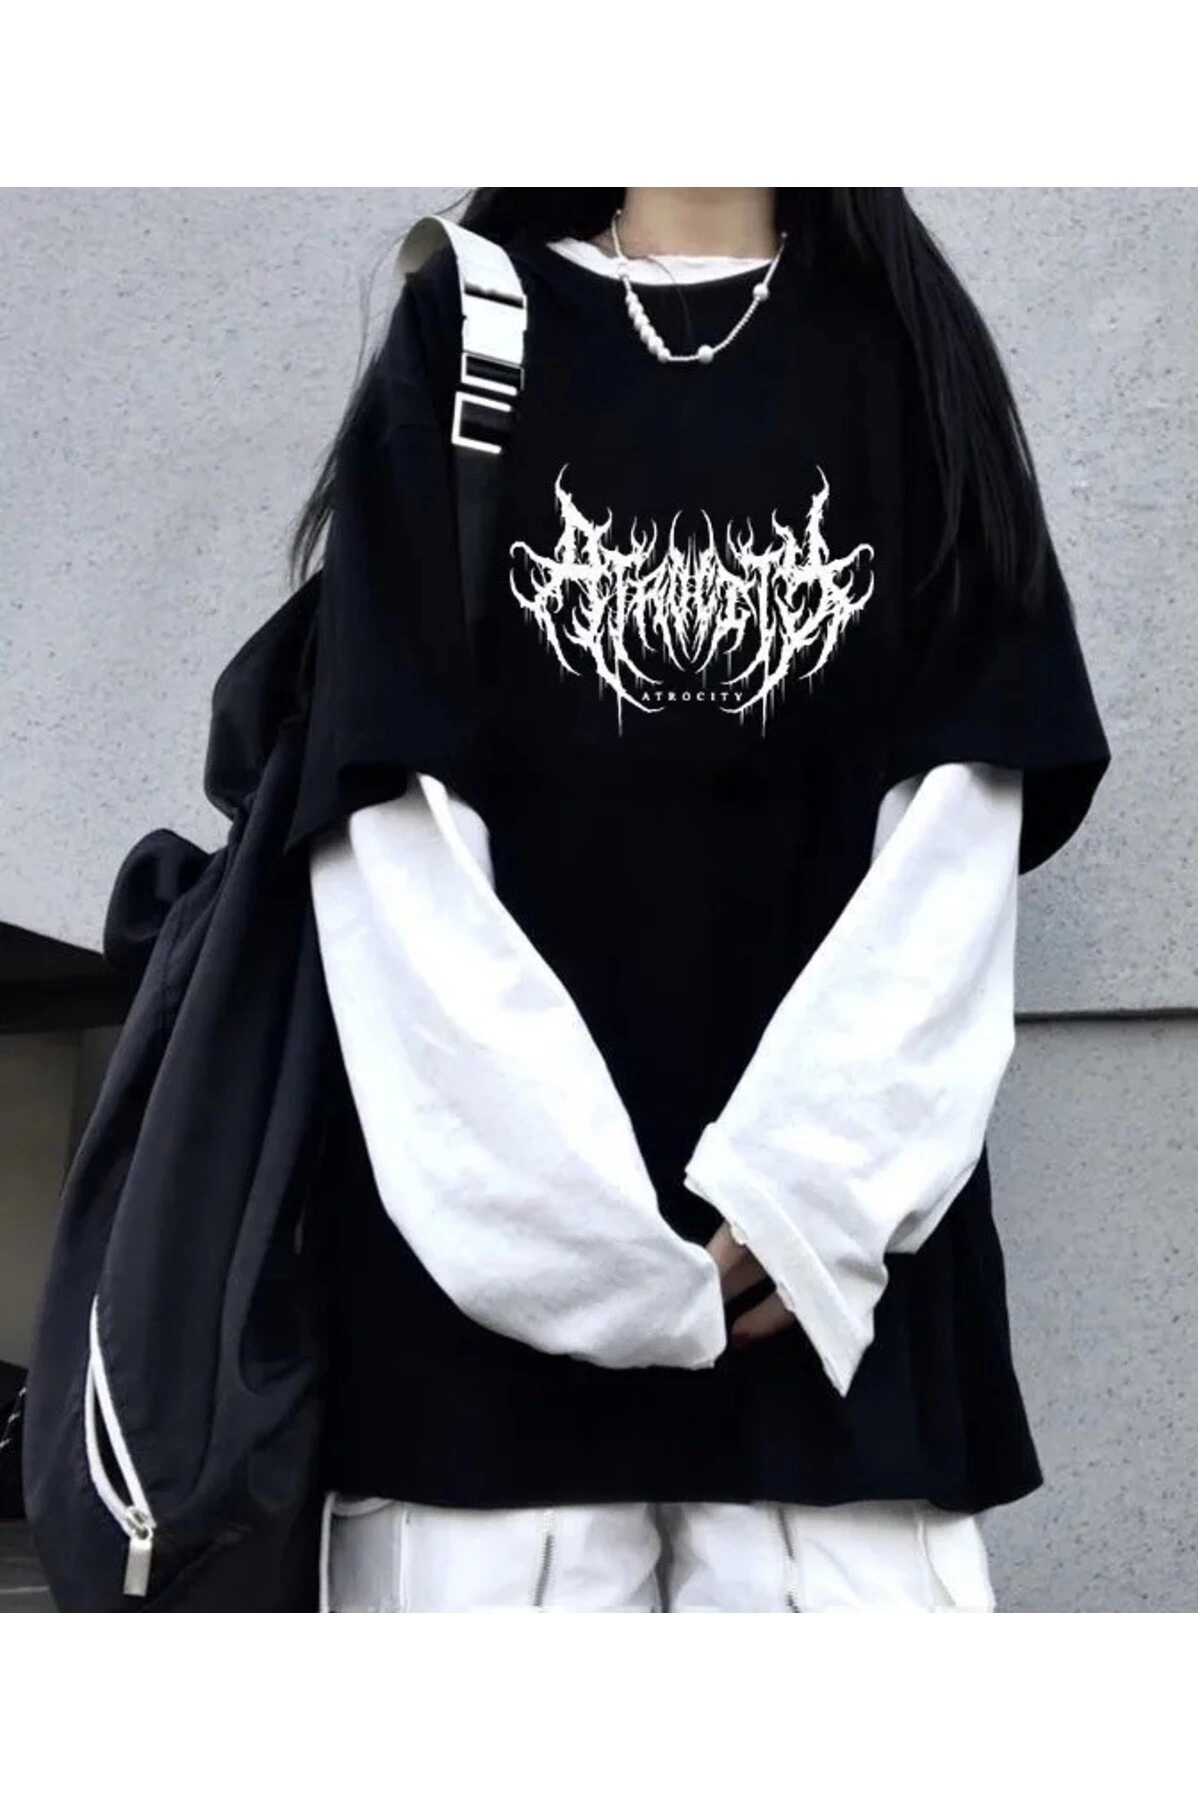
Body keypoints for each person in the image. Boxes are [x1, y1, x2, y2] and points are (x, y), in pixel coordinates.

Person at [283, 188, 1111, 1611]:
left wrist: (809, 1196)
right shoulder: (470, 327)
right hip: (487, 1350)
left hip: (827, 1323)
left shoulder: (905, 352)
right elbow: (387, 822)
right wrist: (566, 1244)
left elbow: (966, 826)